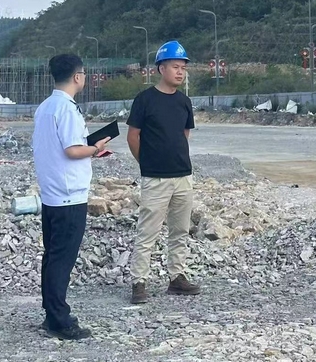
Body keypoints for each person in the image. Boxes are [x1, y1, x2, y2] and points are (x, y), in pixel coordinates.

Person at [33, 54, 111, 340]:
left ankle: (51, 312)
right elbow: (72, 150)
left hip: (52, 194)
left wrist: (88, 148)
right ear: (78, 76)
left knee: (52, 256)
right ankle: (59, 319)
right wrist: (95, 147)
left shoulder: (44, 108)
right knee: (62, 260)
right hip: (69, 196)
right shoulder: (66, 109)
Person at [127, 40, 200, 304]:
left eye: (183, 67)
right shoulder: (145, 100)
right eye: (175, 67)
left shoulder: (184, 102)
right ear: (161, 68)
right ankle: (139, 282)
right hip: (155, 178)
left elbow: (184, 134)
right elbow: (133, 136)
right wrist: (146, 162)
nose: (180, 72)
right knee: (148, 231)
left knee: (180, 230)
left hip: (182, 176)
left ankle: (177, 277)